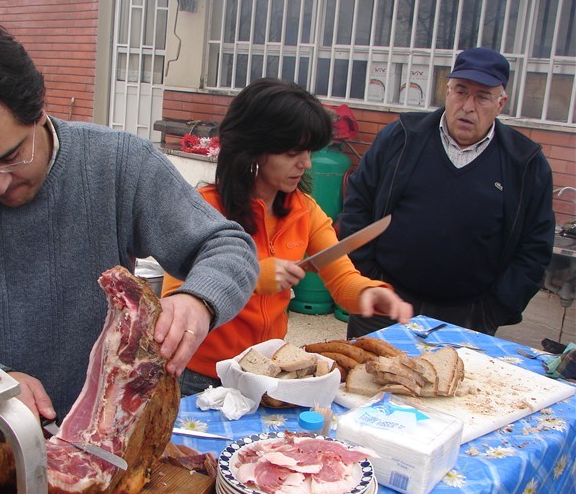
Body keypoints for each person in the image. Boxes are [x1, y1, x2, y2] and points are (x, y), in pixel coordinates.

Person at [0, 24, 259, 466]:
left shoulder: (118, 163)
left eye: (10, 156)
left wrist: (199, 301)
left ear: (39, 111)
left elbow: (227, 245)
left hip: (113, 433)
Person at [162, 78, 413, 396]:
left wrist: (370, 294)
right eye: (293, 152)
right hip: (198, 378)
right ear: (252, 148)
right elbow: (176, 299)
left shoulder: (304, 210)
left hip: (266, 372)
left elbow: (342, 280)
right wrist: (252, 276)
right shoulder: (205, 209)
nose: (306, 163)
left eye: (309, 151)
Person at [339, 47, 555, 339]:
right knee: (363, 382)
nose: (467, 105)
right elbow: (357, 206)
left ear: (501, 103)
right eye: (461, 91)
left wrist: (496, 307)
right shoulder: (401, 138)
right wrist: (366, 278)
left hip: (468, 317)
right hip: (385, 303)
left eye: (482, 96)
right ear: (447, 91)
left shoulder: (525, 163)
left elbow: (535, 247)